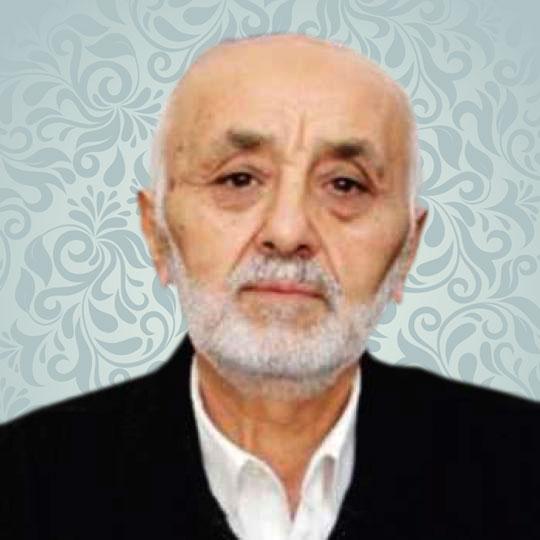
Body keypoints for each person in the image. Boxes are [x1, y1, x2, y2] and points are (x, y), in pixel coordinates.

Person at [1, 34, 538, 540]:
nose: (287, 232)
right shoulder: (24, 485)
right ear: (157, 233)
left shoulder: (523, 468)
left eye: (345, 185)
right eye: (239, 179)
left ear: (407, 250)